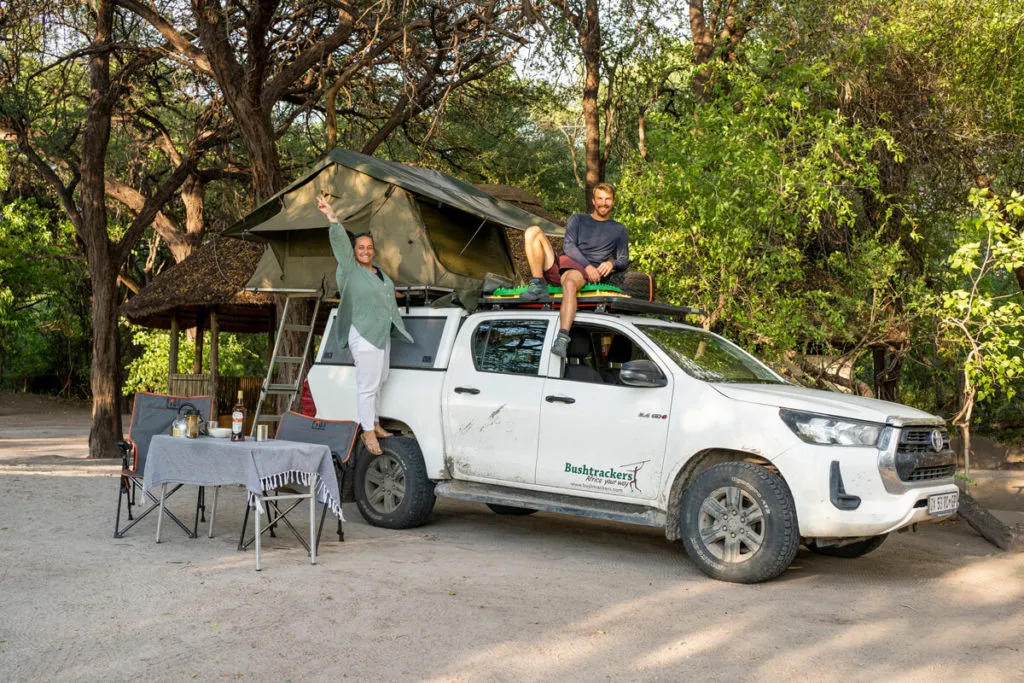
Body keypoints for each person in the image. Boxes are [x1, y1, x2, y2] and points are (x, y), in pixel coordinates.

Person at [317, 193, 412, 455]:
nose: (366, 251)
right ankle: (367, 431)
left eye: (369, 247)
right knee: (367, 384)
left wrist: (397, 296)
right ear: (355, 250)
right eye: (361, 247)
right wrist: (331, 216)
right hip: (363, 331)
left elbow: (382, 292)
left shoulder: (378, 271)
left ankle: (376, 422)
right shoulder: (350, 268)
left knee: (380, 379)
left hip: (382, 333)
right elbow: (340, 243)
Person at [519, 183, 629, 357]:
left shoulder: (619, 229)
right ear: (593, 201)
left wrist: (611, 264)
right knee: (533, 231)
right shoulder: (578, 219)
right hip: (564, 263)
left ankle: (562, 338)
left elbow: (624, 260)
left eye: (607, 199)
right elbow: (569, 246)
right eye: (600, 198)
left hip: (579, 273)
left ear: (613, 202)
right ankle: (538, 284)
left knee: (570, 282)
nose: (603, 203)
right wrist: (588, 265)